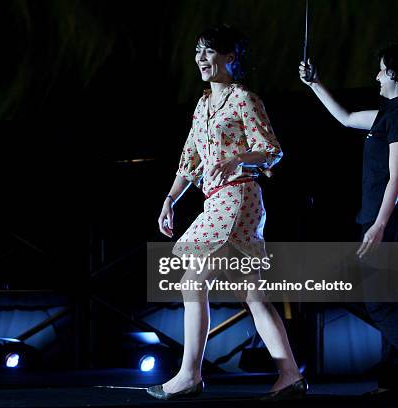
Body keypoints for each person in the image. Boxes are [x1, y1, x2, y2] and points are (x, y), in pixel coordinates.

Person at [148, 25, 306, 401]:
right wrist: (170, 199)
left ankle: (190, 375)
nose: (201, 59)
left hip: (237, 197)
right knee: (250, 293)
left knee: (191, 278)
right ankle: (290, 375)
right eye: (198, 53)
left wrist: (237, 157)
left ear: (230, 58)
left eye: (209, 52)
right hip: (215, 198)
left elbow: (271, 149)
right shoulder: (203, 105)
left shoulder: (243, 99)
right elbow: (189, 161)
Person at [299, 45, 398, 399]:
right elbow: (345, 117)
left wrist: (381, 223)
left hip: (384, 223)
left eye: (381, 70)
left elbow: (396, 177)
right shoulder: (386, 115)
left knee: (379, 304)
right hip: (376, 220)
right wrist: (315, 84)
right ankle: (390, 383)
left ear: (395, 76)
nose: (376, 76)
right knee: (389, 301)